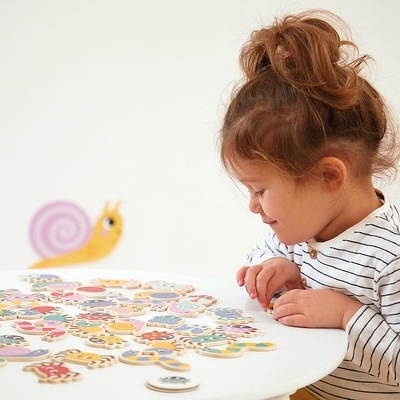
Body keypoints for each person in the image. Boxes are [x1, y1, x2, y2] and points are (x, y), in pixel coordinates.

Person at [219, 9, 400, 400]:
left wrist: (345, 314)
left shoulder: (390, 258)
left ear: (329, 177)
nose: (253, 206)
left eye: (260, 190)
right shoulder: (299, 231)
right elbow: (261, 258)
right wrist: (275, 270)